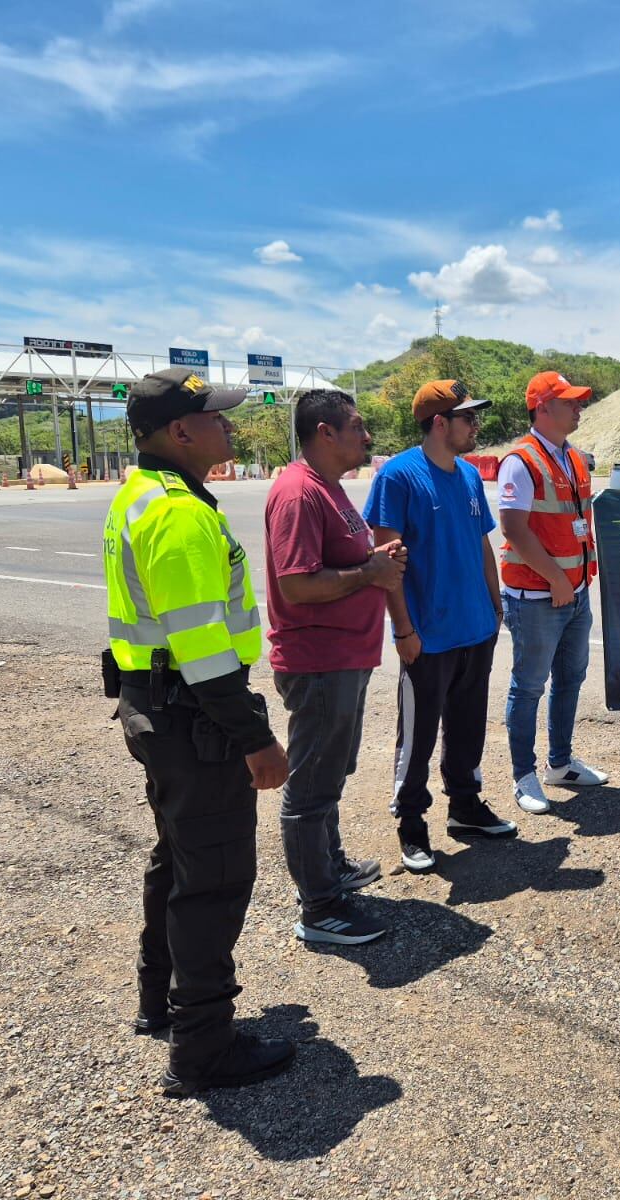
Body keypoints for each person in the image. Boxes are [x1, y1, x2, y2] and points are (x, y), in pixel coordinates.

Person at [102, 366, 294, 1096]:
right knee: (213, 879)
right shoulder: (178, 514)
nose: (228, 426)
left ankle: (161, 1001)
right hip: (195, 715)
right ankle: (204, 1046)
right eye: (215, 417)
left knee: (177, 861)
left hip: (156, 708)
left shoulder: (141, 494)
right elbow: (205, 650)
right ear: (180, 431)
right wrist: (255, 738)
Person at [264, 389, 405, 947]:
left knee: (330, 773)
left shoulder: (331, 489)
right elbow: (297, 585)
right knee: (310, 788)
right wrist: (368, 574)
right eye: (357, 426)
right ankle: (320, 908)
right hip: (319, 662)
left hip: (345, 659)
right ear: (325, 433)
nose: (366, 437)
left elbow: (349, 563)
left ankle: (331, 870)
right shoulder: (299, 493)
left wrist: (375, 565)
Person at [365, 380, 518, 873]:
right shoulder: (399, 476)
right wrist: (404, 630)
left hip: (476, 628)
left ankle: (465, 806)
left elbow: (481, 545)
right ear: (439, 423)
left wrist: (495, 609)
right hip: (427, 635)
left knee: (469, 727)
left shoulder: (471, 477)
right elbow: (387, 560)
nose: (476, 426)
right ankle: (411, 822)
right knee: (419, 734)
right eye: (467, 418)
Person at [497, 371, 608, 814]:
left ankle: (559, 764)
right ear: (543, 407)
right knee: (528, 687)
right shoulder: (520, 461)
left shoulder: (573, 457)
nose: (579, 408)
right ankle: (524, 775)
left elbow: (573, 515)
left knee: (570, 679)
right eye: (570, 402)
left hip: (575, 593)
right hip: (539, 598)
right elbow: (514, 528)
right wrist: (557, 580)